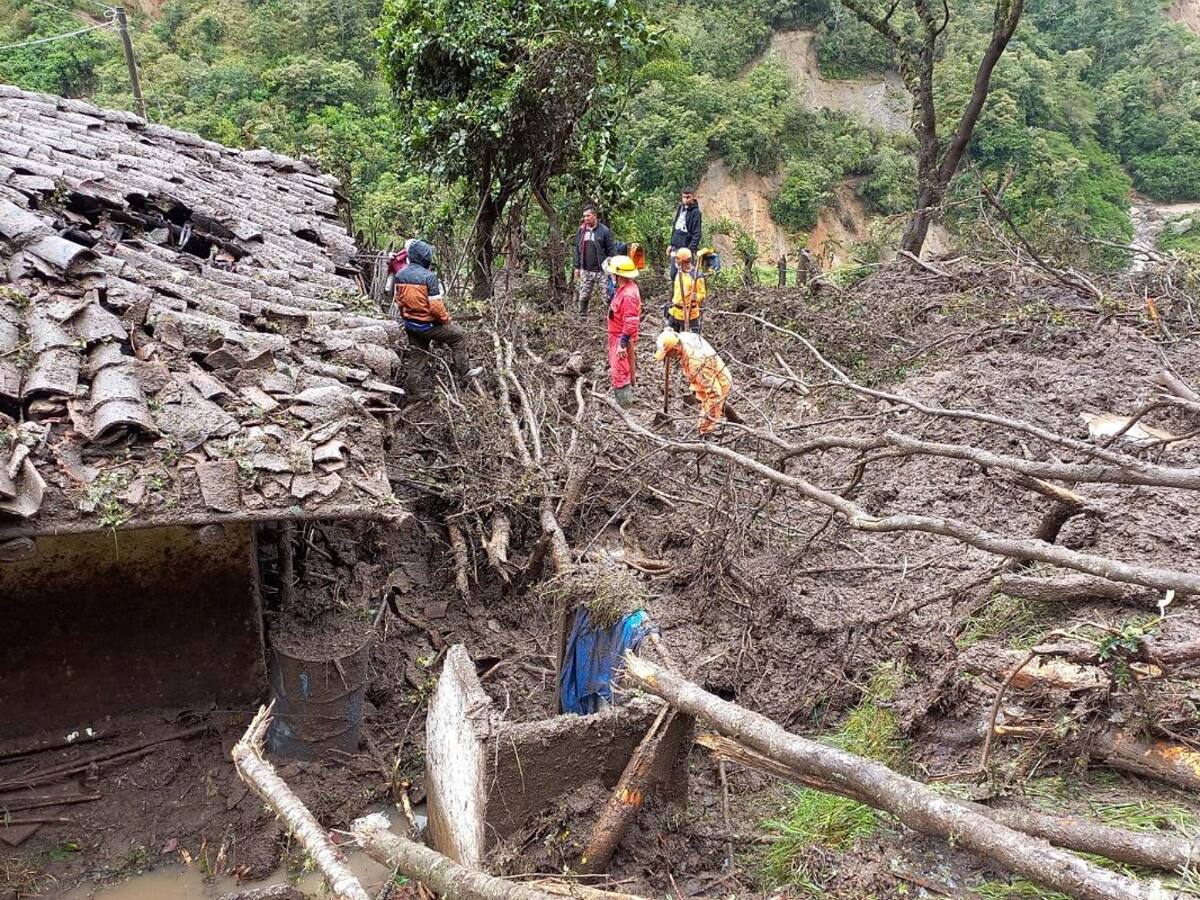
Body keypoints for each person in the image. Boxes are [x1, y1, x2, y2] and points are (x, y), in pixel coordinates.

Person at [391, 239, 476, 378]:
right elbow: (436, 308)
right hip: (427, 326)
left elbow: (399, 302)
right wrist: (445, 319)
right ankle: (465, 371)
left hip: (411, 326)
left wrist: (407, 317)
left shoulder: (400, 275)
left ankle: (413, 390)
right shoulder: (429, 277)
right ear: (425, 257)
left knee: (418, 357)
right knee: (458, 336)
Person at [654, 329, 731, 434]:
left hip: (720, 380)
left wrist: (705, 428)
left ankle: (707, 435)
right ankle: (734, 419)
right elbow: (671, 332)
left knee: (714, 402)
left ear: (675, 349)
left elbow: (715, 394)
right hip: (710, 373)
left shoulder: (695, 363)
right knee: (712, 401)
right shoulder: (681, 337)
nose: (668, 357)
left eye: (668, 354)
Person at [604, 255, 642, 408]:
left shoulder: (627, 295)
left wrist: (622, 344)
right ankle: (626, 400)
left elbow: (631, 321)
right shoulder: (625, 288)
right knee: (622, 368)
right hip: (617, 335)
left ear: (618, 275)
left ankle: (625, 406)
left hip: (621, 337)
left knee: (619, 371)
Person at [574, 204, 617, 317]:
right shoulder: (581, 230)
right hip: (586, 270)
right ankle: (582, 318)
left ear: (595, 216)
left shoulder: (605, 231)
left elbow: (612, 252)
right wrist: (577, 267)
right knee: (584, 296)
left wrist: (612, 271)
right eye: (584, 216)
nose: (586, 218)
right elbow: (577, 249)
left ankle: (613, 319)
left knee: (607, 297)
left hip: (601, 271)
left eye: (588, 216)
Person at [665, 247, 706, 333]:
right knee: (670, 337)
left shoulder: (696, 276)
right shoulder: (678, 272)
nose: (675, 261)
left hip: (690, 314)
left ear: (682, 261)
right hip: (675, 312)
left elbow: (702, 295)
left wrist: (696, 296)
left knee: (692, 339)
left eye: (677, 259)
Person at [667, 187, 702, 282]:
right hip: (675, 248)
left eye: (688, 197)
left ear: (693, 197)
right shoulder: (680, 207)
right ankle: (676, 292)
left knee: (687, 275)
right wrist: (671, 244)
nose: (685, 199)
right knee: (674, 275)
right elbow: (675, 226)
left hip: (686, 248)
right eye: (683, 197)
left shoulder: (696, 212)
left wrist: (689, 250)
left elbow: (697, 234)